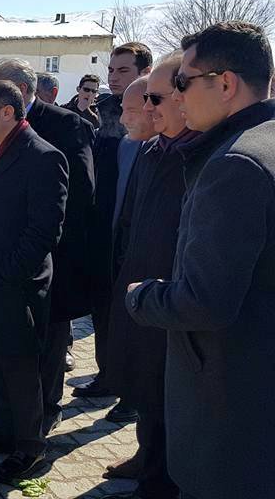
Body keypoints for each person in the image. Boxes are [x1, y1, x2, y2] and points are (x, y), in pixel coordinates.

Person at [127, 22, 275, 499]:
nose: (177, 96)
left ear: (226, 83)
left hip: (230, 409)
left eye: (183, 83)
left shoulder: (236, 165)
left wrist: (143, 297)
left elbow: (205, 302)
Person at [0, 81, 68, 483]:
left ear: (8, 112)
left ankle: (31, 447)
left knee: (20, 372)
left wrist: (9, 274)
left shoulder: (43, 157)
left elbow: (44, 232)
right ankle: (5, 432)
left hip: (13, 286)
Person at [0, 58, 95, 433]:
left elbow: (80, 197)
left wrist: (39, 250)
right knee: (9, 352)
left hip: (50, 260)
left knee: (47, 344)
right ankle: (9, 416)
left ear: (20, 93)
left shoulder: (65, 126)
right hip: (1, 263)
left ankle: (43, 414)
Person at [103, 55, 194, 497]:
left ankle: (160, 477)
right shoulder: (149, 151)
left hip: (168, 293)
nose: (128, 117)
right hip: (138, 281)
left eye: (140, 104)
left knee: (162, 389)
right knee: (142, 381)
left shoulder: (192, 157)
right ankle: (146, 458)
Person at [81, 42, 152, 399]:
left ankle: (131, 394)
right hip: (104, 223)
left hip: (136, 234)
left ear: (144, 73)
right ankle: (107, 375)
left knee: (132, 317)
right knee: (103, 308)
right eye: (111, 70)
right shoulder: (104, 110)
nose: (113, 77)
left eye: (122, 70)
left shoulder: (155, 118)